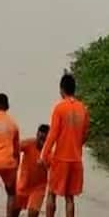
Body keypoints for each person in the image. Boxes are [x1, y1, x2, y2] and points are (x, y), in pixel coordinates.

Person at [40, 74, 90, 217]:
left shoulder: (59, 108)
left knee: (51, 193)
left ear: (61, 90)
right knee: (70, 198)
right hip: (76, 160)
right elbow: (85, 134)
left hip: (61, 159)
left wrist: (44, 155)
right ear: (74, 89)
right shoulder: (83, 109)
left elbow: (52, 135)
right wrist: (76, 145)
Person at [14, 124, 50, 217]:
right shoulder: (29, 143)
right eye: (40, 138)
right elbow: (12, 148)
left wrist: (45, 163)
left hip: (39, 188)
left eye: (44, 139)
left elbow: (55, 169)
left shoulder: (50, 151)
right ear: (37, 135)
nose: (42, 142)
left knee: (33, 214)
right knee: (12, 212)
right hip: (23, 185)